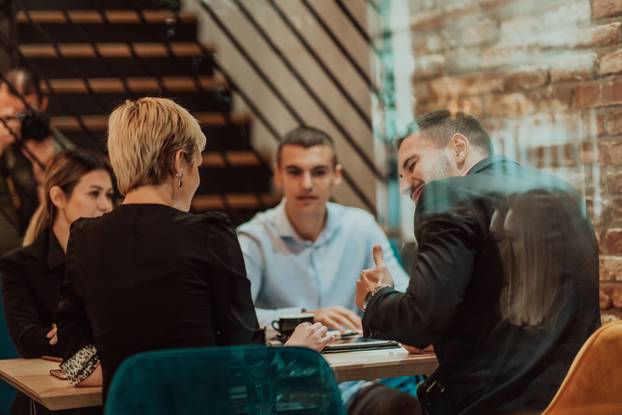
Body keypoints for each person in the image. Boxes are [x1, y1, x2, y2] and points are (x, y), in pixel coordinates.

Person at [56, 98, 332, 399]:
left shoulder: (84, 237)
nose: (197, 178)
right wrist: (296, 351)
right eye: (196, 164)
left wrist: (132, 375)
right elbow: (246, 360)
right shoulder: (207, 233)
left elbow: (75, 362)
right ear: (178, 162)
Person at [356, 110, 601, 415]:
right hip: (582, 401)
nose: (406, 186)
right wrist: (448, 334)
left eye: (412, 164)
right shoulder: (563, 191)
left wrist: (376, 296)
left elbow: (420, 319)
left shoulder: (446, 195)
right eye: (402, 176)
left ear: (458, 148)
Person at [237, 127, 409, 331]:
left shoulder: (362, 227)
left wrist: (386, 295)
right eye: (295, 172)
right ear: (278, 176)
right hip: (289, 359)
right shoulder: (253, 238)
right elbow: (237, 315)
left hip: (358, 356)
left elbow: (406, 298)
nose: (307, 184)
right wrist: (307, 318)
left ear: (336, 176)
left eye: (319, 172)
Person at [0, 148, 114, 415]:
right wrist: (93, 335)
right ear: (58, 197)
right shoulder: (18, 265)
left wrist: (68, 332)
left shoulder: (115, 260)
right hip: (45, 405)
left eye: (110, 195)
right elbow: (29, 341)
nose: (106, 205)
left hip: (102, 396)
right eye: (94, 193)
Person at [0, 68, 59, 254]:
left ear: (43, 105)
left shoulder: (52, 145)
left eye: (24, 115)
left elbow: (62, 224)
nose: (16, 125)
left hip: (36, 252)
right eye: (8, 115)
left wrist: (44, 171)